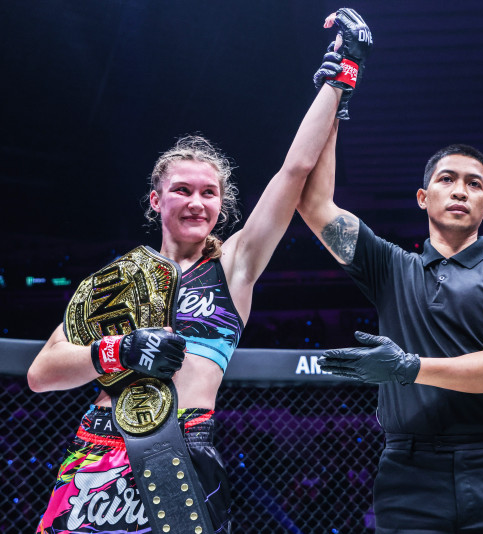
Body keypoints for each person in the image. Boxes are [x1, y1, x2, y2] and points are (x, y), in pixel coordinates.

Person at [26, 8, 372, 532]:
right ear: (155, 200)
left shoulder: (234, 266)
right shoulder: (117, 279)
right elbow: (42, 374)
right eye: (182, 190)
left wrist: (341, 77)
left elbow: (295, 171)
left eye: (209, 193)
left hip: (180, 452)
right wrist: (120, 350)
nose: (196, 202)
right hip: (97, 451)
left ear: (221, 205)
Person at [296, 121, 483, 531]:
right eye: (447, 179)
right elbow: (312, 203)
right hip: (407, 474)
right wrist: (336, 103)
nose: (460, 191)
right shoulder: (390, 266)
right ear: (423, 197)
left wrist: (407, 367)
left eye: (474, 184)